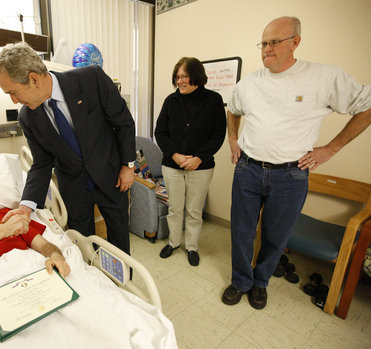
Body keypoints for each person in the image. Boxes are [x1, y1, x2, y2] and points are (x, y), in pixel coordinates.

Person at [223, 16, 371, 310]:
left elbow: (366, 107)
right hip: (248, 170)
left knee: (276, 237)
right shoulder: (250, 82)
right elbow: (232, 108)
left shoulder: (323, 77)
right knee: (241, 231)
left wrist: (331, 149)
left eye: (274, 42)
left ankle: (261, 282)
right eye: (263, 43)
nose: (266, 48)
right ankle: (241, 281)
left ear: (295, 42)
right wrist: (233, 139)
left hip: (290, 176)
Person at [0, 42, 136, 255]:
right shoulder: (28, 117)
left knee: (119, 245)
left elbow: (123, 122)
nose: (14, 100)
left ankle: (122, 287)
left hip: (112, 179)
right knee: (82, 249)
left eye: (13, 92)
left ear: (33, 79)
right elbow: (41, 164)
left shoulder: (91, 80)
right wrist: (25, 206)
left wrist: (128, 165)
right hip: (75, 189)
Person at [155, 57, 226, 266]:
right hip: (172, 166)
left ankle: (192, 246)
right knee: (175, 209)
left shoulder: (213, 100)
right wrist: (175, 155)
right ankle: (174, 242)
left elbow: (218, 135)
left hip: (201, 168)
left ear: (196, 76)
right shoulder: (171, 101)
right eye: (177, 77)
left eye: (184, 76)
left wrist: (198, 158)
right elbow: (160, 132)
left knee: (194, 211)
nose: (180, 81)